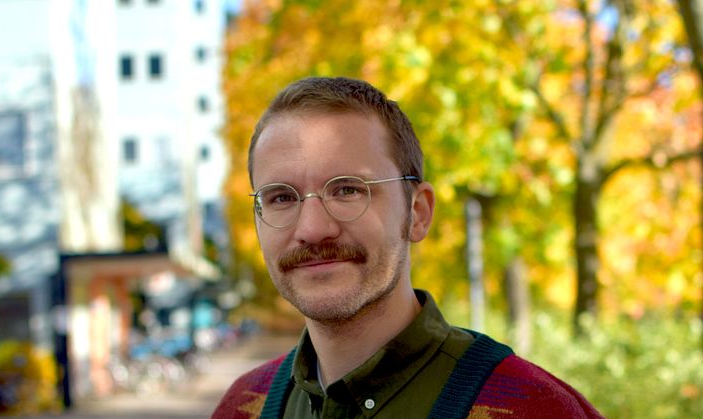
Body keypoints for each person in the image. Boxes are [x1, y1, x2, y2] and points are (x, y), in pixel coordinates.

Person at [213, 77, 602, 418]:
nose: (313, 229)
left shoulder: (532, 410)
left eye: (348, 190)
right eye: (281, 197)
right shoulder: (244, 407)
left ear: (417, 212)